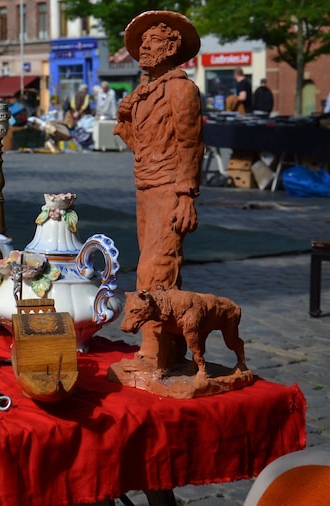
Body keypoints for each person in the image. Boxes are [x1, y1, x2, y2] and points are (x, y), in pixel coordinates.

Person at [113, 10, 203, 372]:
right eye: (142, 43)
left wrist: (186, 197)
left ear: (172, 47)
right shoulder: (143, 94)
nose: (144, 48)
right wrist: (125, 121)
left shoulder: (181, 89)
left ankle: (154, 352)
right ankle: (171, 346)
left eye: (153, 41)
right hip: (146, 187)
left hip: (169, 188)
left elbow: (191, 145)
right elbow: (141, 147)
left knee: (156, 268)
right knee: (155, 266)